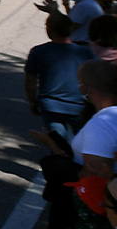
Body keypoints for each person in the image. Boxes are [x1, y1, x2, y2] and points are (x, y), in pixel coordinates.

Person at [27, 12, 96, 150]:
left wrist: (32, 101)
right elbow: (94, 80)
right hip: (80, 106)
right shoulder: (86, 53)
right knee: (83, 145)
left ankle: (61, 167)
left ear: (49, 30)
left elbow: (30, 80)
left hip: (51, 106)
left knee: (58, 145)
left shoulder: (38, 52)